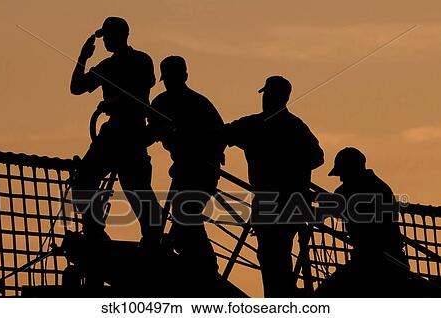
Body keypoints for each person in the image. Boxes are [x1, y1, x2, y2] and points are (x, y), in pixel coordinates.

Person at [220, 76, 324, 297]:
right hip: (292, 201)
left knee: (271, 255)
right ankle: (281, 298)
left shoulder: (255, 125)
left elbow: (222, 134)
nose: (265, 98)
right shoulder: (294, 126)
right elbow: (317, 157)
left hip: (271, 201)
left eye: (268, 93)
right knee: (278, 255)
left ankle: (278, 300)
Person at [69, 16, 161, 245]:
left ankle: (152, 237)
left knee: (136, 189)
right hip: (116, 132)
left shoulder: (141, 60)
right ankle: (95, 231)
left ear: (120, 36)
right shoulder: (106, 66)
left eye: (108, 36)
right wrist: (83, 57)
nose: (106, 41)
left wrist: (114, 103)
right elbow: (76, 87)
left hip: (131, 131)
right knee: (85, 180)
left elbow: (140, 93)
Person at [147, 56, 225, 276]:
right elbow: (151, 133)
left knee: (186, 215)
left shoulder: (189, 103)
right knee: (186, 216)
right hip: (190, 169)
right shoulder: (191, 103)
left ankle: (206, 266)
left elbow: (220, 136)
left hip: (200, 169)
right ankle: (196, 260)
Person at [316, 147, 408, 296]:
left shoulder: (354, 190)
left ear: (352, 170)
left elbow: (328, 209)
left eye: (342, 174)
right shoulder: (377, 185)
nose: (340, 179)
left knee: (325, 294)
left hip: (372, 262)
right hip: (386, 259)